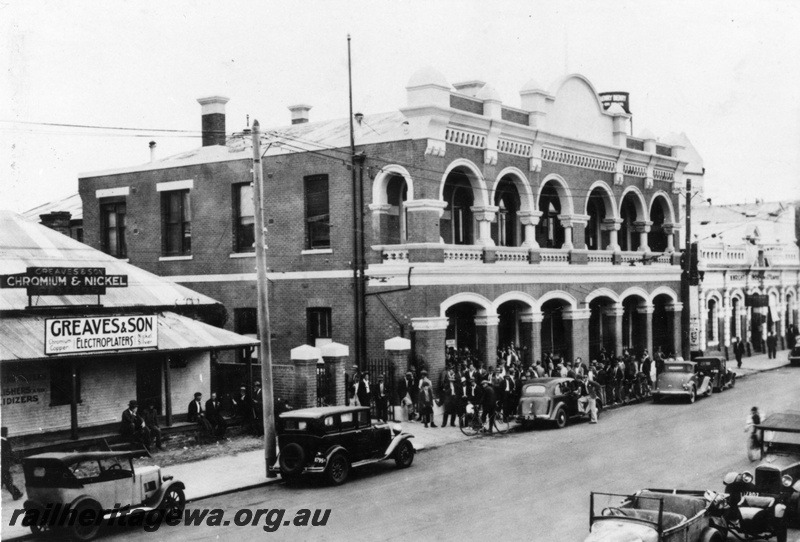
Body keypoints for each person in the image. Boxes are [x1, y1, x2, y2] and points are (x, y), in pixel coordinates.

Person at [1, 427, 23, 500]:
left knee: (6, 481)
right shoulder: (4, 443)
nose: (7, 433)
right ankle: (16, 494)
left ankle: (16, 494)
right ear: (4, 433)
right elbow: (8, 454)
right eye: (6, 432)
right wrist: (17, 460)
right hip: (3, 466)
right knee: (7, 481)